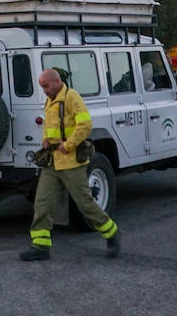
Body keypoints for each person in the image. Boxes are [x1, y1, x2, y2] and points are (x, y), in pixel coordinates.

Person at [19, 68, 119, 261]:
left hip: (71, 162)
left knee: (85, 204)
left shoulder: (71, 97)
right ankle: (40, 246)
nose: (44, 90)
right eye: (42, 87)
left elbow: (85, 124)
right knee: (42, 204)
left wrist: (69, 144)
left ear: (57, 82)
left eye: (46, 86)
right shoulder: (50, 100)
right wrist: (46, 140)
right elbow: (50, 125)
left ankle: (112, 235)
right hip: (52, 163)